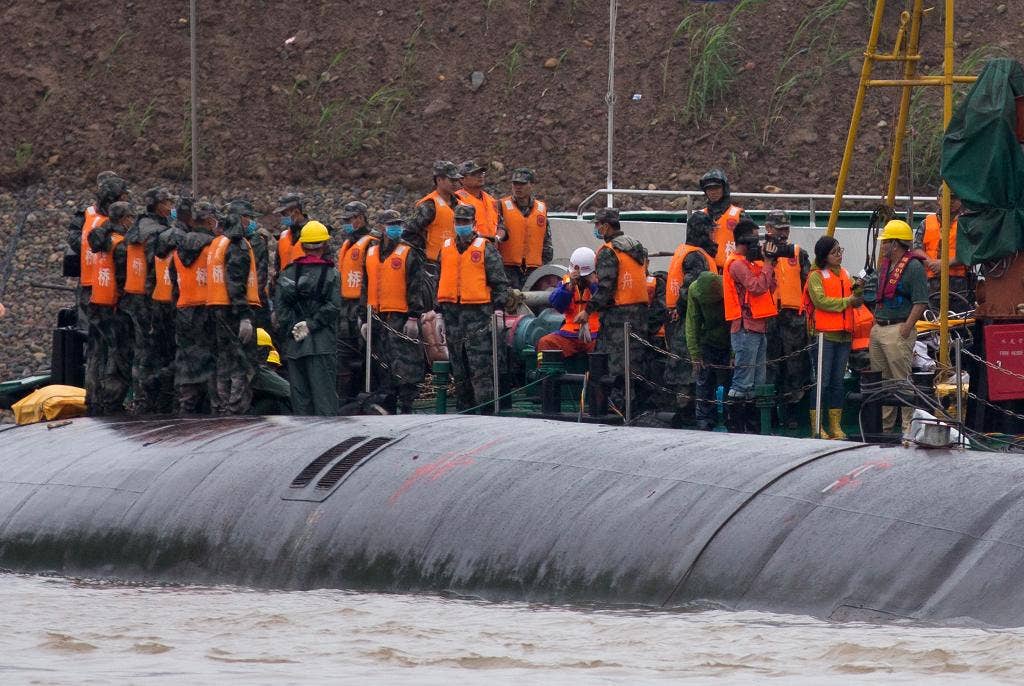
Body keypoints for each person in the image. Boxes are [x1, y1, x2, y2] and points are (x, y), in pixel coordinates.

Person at [436, 204, 512, 412]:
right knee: (459, 369)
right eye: (458, 222)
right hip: (452, 318)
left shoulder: (485, 248)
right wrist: (439, 313)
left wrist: (498, 310)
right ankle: (464, 411)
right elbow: (439, 280)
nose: (461, 225)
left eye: (465, 222)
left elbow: (500, 283)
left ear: (473, 223)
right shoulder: (446, 248)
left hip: (478, 317)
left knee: (481, 370)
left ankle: (486, 412)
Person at [574, 207, 648, 412]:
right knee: (633, 364)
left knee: (615, 367)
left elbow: (606, 287)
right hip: (639, 314)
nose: (596, 229)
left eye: (597, 225)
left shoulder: (609, 251)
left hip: (618, 318)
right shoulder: (636, 246)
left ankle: (616, 410)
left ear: (605, 226)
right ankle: (634, 407)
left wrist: (587, 311)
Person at [363, 213, 431, 414]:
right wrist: (363, 316)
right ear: (382, 227)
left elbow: (416, 287)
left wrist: (413, 316)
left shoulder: (409, 253)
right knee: (382, 363)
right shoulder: (372, 252)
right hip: (377, 316)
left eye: (398, 225)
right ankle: (387, 403)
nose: (396, 228)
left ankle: (407, 405)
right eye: (391, 225)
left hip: (401, 316)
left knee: (406, 364)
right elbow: (365, 287)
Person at [867, 219, 929, 435]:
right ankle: (884, 427)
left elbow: (921, 301)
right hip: (880, 327)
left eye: (885, 242)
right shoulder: (885, 266)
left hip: (898, 329)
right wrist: (876, 321)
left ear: (895, 244)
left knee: (900, 379)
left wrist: (906, 328)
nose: (882, 246)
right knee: (881, 381)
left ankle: (907, 427)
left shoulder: (913, 267)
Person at [274, 221, 342, 416]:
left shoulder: (288, 273)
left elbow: (280, 308)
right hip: (322, 345)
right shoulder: (331, 274)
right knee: (325, 400)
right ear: (324, 245)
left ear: (302, 245)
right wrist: (311, 325)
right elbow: (334, 307)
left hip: (295, 344)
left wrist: (294, 330)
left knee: (300, 400)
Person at [804, 236, 865, 440]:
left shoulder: (846, 274)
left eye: (840, 251)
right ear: (824, 255)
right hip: (824, 336)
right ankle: (817, 426)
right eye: (834, 252)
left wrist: (858, 291)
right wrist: (848, 301)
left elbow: (850, 296)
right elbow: (820, 301)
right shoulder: (815, 276)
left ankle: (835, 426)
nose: (839, 255)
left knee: (837, 382)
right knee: (822, 382)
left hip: (843, 335)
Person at [122, 187, 175, 414]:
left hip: (133, 297)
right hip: (149, 299)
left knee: (140, 349)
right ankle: (148, 400)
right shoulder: (155, 231)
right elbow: (155, 269)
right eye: (166, 202)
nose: (170, 206)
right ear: (156, 204)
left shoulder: (136, 228)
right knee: (152, 350)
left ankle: (140, 398)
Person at [723, 219, 778, 433]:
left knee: (757, 382)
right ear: (745, 240)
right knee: (743, 382)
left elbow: (770, 286)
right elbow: (756, 287)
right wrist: (767, 264)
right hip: (745, 328)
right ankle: (736, 426)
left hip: (757, 327)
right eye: (756, 237)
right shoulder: (736, 263)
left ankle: (753, 427)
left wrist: (769, 264)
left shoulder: (751, 263)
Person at [664, 211, 717, 417]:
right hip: (689, 321)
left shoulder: (684, 251)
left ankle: (683, 411)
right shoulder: (696, 256)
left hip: (678, 318)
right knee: (690, 372)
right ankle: (689, 415)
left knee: (682, 369)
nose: (714, 236)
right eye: (711, 231)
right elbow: (690, 290)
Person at [763, 209, 812, 428]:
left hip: (794, 320)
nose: (783, 234)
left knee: (795, 366)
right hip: (768, 317)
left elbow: (809, 284)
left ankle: (791, 413)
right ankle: (770, 413)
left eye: (786, 229)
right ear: (768, 229)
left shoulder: (798, 253)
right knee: (770, 366)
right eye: (778, 229)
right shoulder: (758, 253)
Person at [84, 201, 133, 415]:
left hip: (97, 303)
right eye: (130, 217)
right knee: (118, 356)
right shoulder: (121, 245)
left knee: (97, 355)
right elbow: (123, 280)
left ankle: (95, 399)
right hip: (115, 307)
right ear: (123, 219)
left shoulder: (102, 241)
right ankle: (112, 402)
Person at [207, 213, 260, 415]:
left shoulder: (217, 244)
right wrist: (244, 315)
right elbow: (236, 282)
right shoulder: (237, 245)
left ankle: (221, 407)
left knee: (223, 361)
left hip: (217, 308)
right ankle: (236, 409)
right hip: (233, 310)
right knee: (241, 363)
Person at [170, 201, 218, 414]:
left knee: (187, 361)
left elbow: (174, 282)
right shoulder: (214, 247)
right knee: (213, 361)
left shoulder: (179, 249)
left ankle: (186, 408)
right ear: (209, 221)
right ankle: (212, 411)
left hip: (184, 310)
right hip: (209, 309)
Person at [335, 201, 378, 406]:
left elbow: (371, 278)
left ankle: (365, 394)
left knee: (364, 352)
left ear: (360, 218)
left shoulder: (371, 242)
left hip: (361, 305)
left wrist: (365, 310)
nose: (347, 223)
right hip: (345, 305)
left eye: (350, 219)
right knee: (344, 350)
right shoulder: (347, 243)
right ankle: (346, 397)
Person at [536, 247, 600, 361]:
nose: (581, 279)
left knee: (603, 350)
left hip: (595, 335)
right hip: (568, 334)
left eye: (584, 276)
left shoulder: (600, 284)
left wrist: (591, 283)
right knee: (545, 343)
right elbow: (557, 304)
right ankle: (547, 376)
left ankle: (595, 377)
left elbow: (604, 300)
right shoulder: (566, 283)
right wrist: (568, 288)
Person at [686, 271, 731, 431]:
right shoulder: (694, 290)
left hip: (729, 339)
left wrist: (733, 353)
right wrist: (695, 354)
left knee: (730, 382)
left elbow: (736, 321)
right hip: (707, 341)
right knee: (704, 380)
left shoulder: (728, 286)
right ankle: (704, 419)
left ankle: (730, 417)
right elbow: (692, 323)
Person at [912, 191, 973, 305]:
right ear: (938, 199)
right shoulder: (926, 223)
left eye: (954, 198)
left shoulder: (967, 224)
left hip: (959, 285)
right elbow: (916, 248)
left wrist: (944, 264)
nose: (950, 201)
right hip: (930, 283)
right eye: (946, 197)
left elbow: (970, 252)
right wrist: (931, 263)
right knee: (930, 317)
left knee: (957, 319)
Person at [497, 168, 553, 289]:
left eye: (522, 184)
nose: (518, 187)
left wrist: (544, 265)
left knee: (534, 304)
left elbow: (546, 239)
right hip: (508, 268)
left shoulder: (541, 208)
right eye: (515, 184)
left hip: (534, 268)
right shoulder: (501, 206)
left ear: (531, 185)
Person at [228, 199, 273, 337]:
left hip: (255, 304)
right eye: (246, 217)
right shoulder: (228, 240)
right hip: (236, 303)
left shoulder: (256, 241)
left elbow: (260, 276)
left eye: (250, 217)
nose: (250, 221)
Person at [406, 161, 463, 265]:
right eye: (451, 180)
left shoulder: (460, 204)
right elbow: (408, 233)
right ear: (439, 180)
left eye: (457, 180)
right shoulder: (428, 205)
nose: (455, 184)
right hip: (434, 265)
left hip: (458, 262)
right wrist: (422, 253)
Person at [699, 169, 752, 270]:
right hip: (706, 273)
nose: (713, 192)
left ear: (724, 188)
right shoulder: (700, 217)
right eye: (709, 189)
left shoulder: (739, 215)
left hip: (733, 272)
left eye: (717, 187)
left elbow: (751, 246)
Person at [454, 160, 501, 240]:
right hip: (469, 249)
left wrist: (498, 237)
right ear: (461, 179)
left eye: (481, 173)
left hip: (490, 249)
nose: (480, 176)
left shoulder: (491, 199)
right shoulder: (456, 199)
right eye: (473, 174)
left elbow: (501, 224)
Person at [274, 193, 310, 274]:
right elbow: (277, 267)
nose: (282, 217)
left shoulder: (315, 232)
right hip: (285, 285)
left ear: (296, 212)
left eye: (284, 213)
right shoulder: (284, 235)